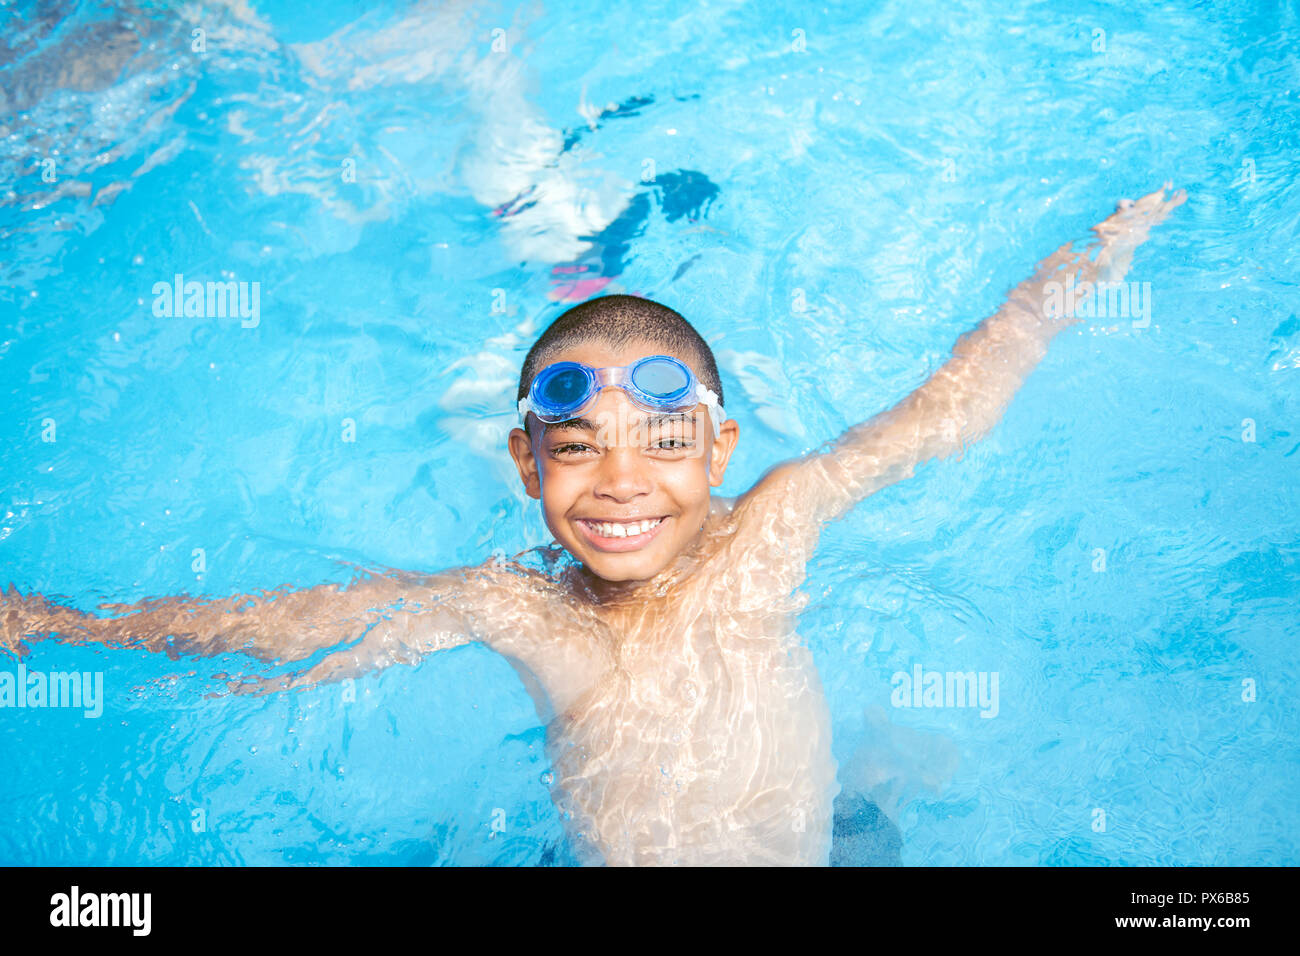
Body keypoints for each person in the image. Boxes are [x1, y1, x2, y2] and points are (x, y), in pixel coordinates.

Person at [1, 184, 1185, 865]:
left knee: (874, 803)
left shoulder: (768, 524)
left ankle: (878, 775)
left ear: (716, 450)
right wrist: (64, 622)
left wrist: (1075, 272)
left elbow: (940, 417)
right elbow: (305, 620)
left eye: (664, 447)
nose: (621, 484)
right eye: (576, 450)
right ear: (526, 462)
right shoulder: (524, 607)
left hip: (800, 837)